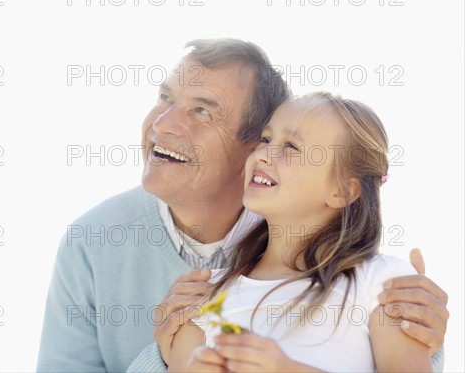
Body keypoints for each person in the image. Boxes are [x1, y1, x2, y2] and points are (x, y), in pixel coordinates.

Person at [36, 39, 448, 373]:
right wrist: (165, 356)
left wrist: (423, 340)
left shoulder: (383, 282)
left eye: (201, 110)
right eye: (165, 97)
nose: (162, 125)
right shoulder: (110, 248)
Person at [167, 92, 433, 372]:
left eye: (291, 146)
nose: (263, 154)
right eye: (266, 139)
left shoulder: (383, 282)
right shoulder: (206, 293)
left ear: (343, 191)